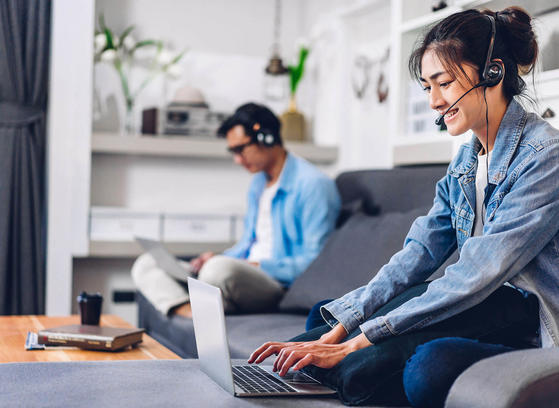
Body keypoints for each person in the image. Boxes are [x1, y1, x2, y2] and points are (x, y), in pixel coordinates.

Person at [249, 7, 559, 407]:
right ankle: (347, 368)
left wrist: (360, 340)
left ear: (493, 73)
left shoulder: (545, 157)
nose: (433, 101)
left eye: (443, 83)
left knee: (424, 368)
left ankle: (357, 370)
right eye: (427, 87)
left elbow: (479, 274)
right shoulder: (466, 161)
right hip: (477, 303)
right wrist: (348, 320)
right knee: (324, 321)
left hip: (522, 315)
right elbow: (419, 252)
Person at [132, 102, 341, 318]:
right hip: (239, 274)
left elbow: (314, 263)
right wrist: (219, 257)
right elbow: (248, 244)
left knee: (217, 270)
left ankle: (203, 305)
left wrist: (253, 265)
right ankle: (192, 312)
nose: (237, 159)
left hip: (276, 285)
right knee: (147, 264)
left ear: (266, 138)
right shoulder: (259, 182)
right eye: (233, 151)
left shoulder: (313, 185)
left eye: (241, 149)